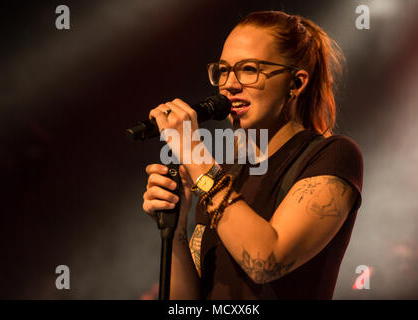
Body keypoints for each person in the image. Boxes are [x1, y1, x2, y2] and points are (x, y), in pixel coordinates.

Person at [142, 11, 363, 299]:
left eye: (248, 69)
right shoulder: (224, 173)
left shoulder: (332, 156)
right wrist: (177, 227)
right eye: (222, 70)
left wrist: (192, 151)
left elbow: (265, 261)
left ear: (295, 83)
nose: (230, 84)